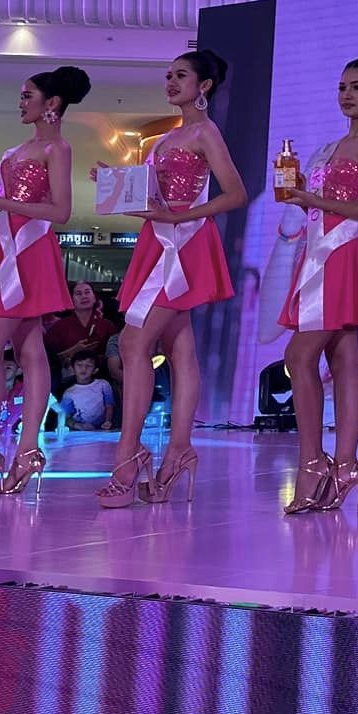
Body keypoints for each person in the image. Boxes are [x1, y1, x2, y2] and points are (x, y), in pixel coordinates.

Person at [98, 50, 245, 508]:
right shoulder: (163, 140)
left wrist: (184, 217)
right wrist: (113, 184)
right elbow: (151, 198)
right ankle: (179, 449)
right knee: (179, 347)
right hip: (159, 240)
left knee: (134, 342)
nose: (171, 82)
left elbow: (235, 194)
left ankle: (128, 455)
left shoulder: (205, 133)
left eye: (181, 75)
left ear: (204, 86)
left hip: (184, 242)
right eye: (168, 75)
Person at [0, 66, 91, 499]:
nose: (21, 101)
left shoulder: (57, 148)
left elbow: (60, 211)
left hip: (29, 252)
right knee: (28, 348)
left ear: (52, 103)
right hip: (5, 247)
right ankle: (26, 451)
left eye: (28, 95)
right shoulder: (16, 150)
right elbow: (2, 213)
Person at [275, 57, 358, 514]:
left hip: (347, 251)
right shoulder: (333, 146)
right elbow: (325, 205)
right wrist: (304, 194)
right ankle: (345, 465)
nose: (347, 95)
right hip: (321, 251)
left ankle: (312, 461)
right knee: (343, 359)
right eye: (343, 87)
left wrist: (315, 198)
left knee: (298, 356)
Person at [45, 279, 117, 391]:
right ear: (71, 299)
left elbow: (116, 354)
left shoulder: (107, 325)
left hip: (101, 379)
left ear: (94, 297)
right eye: (78, 294)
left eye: (87, 292)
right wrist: (73, 351)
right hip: (67, 382)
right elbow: (47, 359)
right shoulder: (59, 326)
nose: (84, 296)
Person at [60, 352, 116, 431]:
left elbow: (109, 405)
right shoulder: (69, 393)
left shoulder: (103, 384)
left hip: (102, 429)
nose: (84, 369)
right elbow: (65, 416)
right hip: (80, 431)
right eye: (79, 365)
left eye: (89, 366)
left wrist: (108, 421)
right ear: (72, 369)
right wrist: (78, 426)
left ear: (95, 370)